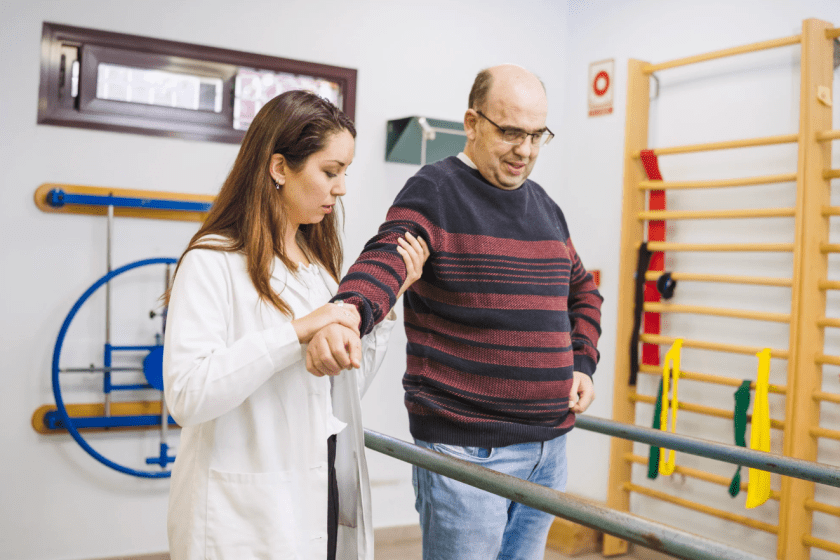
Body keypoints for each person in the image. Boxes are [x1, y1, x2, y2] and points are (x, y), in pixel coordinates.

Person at [306, 65, 603, 560]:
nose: (525, 150)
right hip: (468, 452)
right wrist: (347, 313)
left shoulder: (545, 207)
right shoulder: (436, 191)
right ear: (472, 122)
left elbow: (583, 290)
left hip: (549, 449)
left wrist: (582, 362)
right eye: (510, 132)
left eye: (536, 135)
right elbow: (388, 257)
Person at [162, 89, 429, 560]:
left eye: (344, 172)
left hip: (313, 502)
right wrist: (298, 332)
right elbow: (187, 395)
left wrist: (383, 313)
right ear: (279, 168)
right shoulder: (212, 262)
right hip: (237, 517)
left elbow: (340, 394)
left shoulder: (319, 272)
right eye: (330, 172)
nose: (341, 188)